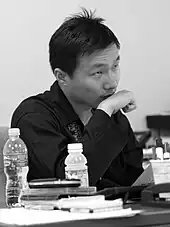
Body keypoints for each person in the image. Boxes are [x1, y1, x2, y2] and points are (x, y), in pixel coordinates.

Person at [11, 8, 143, 189]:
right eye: (98, 72)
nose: (112, 82)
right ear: (62, 76)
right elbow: (71, 184)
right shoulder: (34, 116)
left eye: (115, 66)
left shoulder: (112, 115)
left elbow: (135, 181)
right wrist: (105, 112)